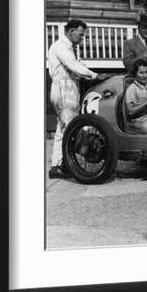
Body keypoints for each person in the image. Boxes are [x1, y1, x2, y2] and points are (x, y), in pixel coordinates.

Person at [48, 19, 102, 179]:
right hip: (63, 88)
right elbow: (73, 65)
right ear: (71, 31)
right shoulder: (60, 46)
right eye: (80, 34)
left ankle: (58, 164)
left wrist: (89, 72)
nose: (82, 38)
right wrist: (94, 75)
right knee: (68, 127)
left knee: (63, 128)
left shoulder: (69, 48)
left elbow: (79, 64)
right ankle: (62, 164)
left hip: (70, 87)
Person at [122, 16, 147, 87]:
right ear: (139, 28)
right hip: (135, 83)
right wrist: (145, 54)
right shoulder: (129, 43)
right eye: (144, 28)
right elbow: (128, 65)